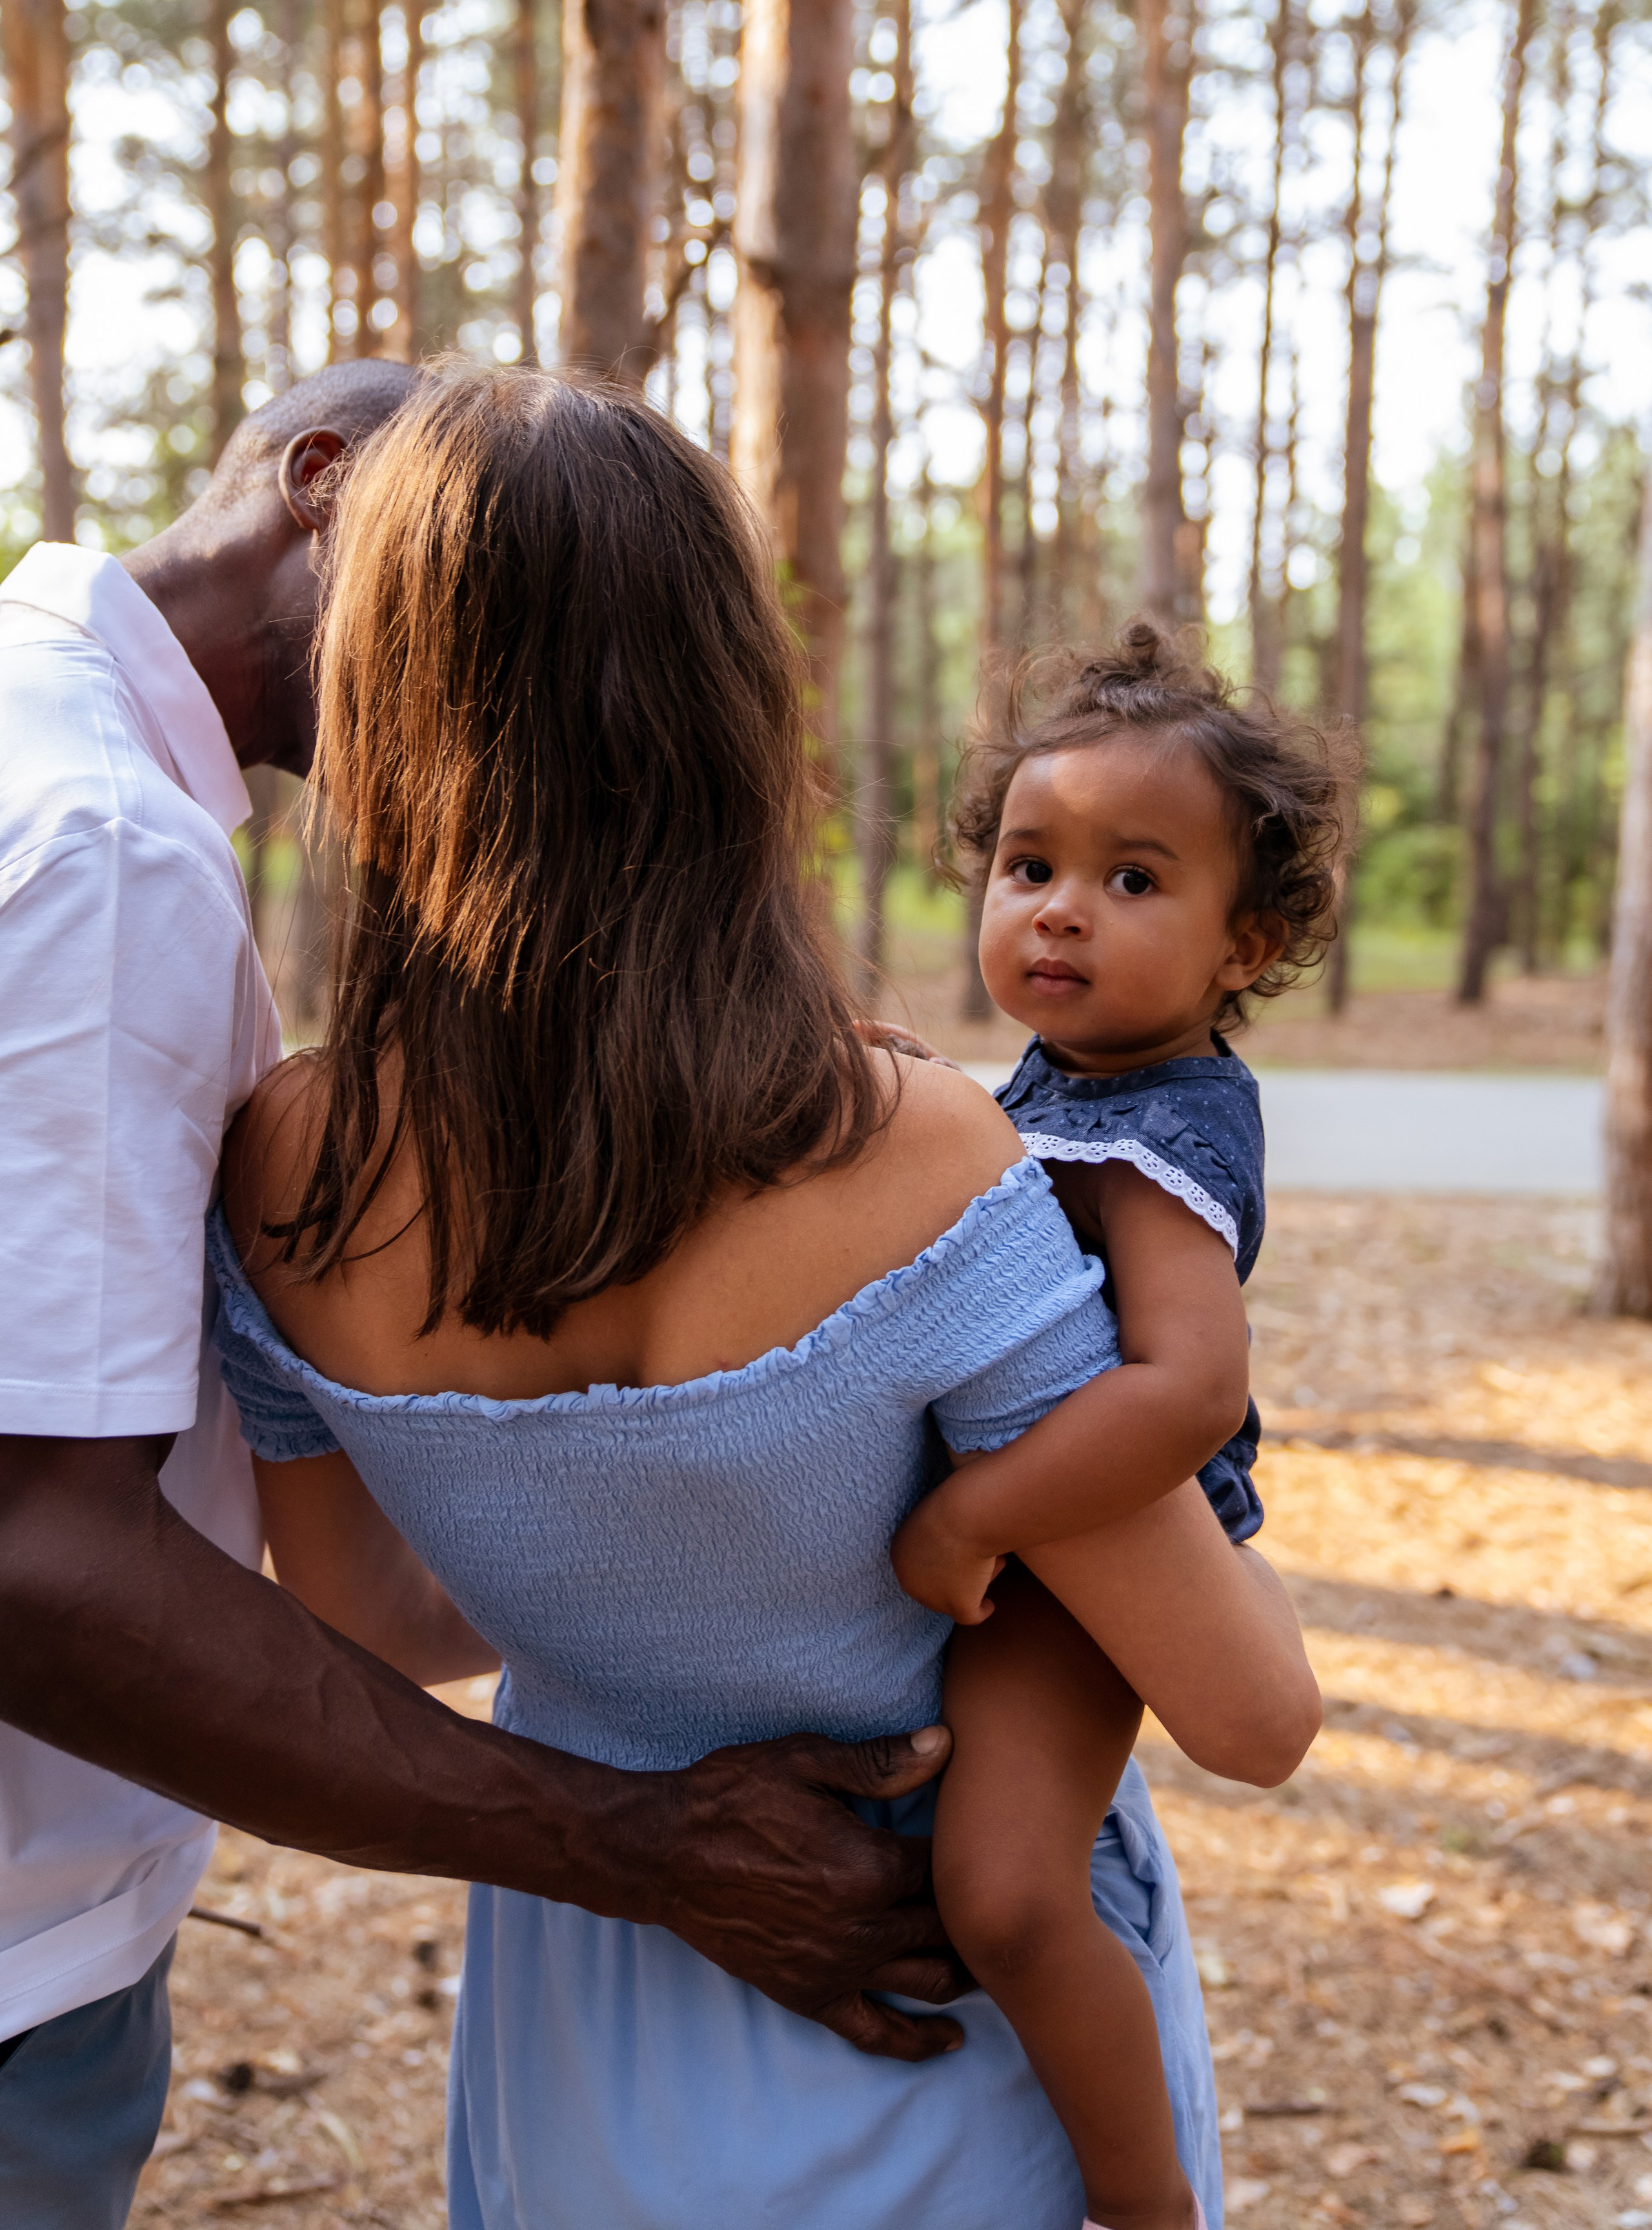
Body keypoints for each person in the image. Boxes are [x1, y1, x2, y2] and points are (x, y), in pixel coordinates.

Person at [211, 364, 1247, 2230]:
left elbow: (372, 1626)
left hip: (589, 2011)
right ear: (727, 711)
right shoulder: (916, 1149)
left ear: (377, 713)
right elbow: (1249, 1705)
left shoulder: (284, 1166)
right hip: (950, 1997)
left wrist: (620, 1598)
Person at [0, 363, 969, 2230]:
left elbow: (377, 1599)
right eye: (471, 611)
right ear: (321, 487)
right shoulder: (110, 853)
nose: (505, 711)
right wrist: (642, 1848)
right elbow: (41, 1555)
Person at [889, 628, 1340, 2229]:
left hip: (1096, 1543)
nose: (1060, 907)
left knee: (1004, 1895)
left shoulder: (1160, 1126)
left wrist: (973, 1519)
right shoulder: (1060, 1085)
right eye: (1028, 865)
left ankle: (1143, 2204)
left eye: (1133, 879)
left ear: (1244, 945)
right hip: (1049, 1529)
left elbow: (1187, 1390)